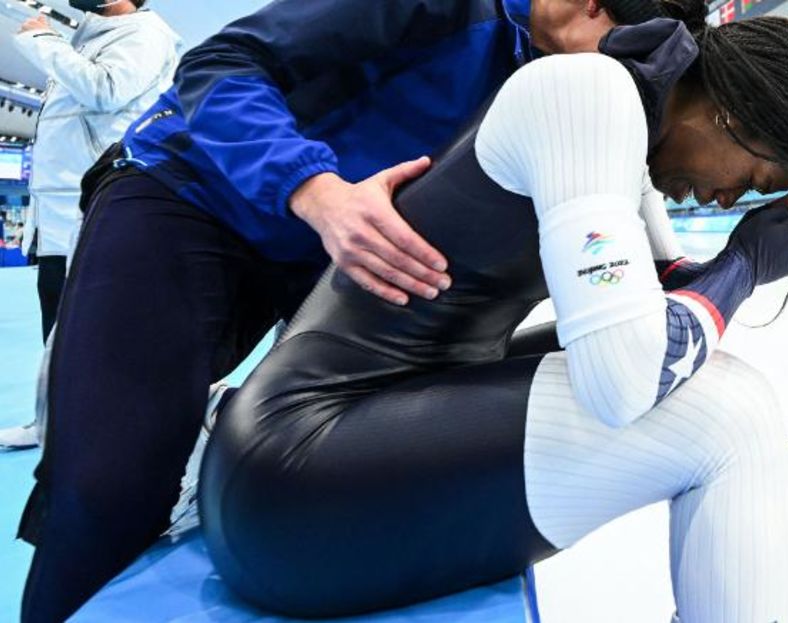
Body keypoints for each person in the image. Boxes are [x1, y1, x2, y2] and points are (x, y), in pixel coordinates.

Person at [15, 1, 695, 620]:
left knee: (328, 445)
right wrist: (315, 188)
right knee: (111, 480)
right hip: (194, 194)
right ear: (591, 5)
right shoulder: (449, 11)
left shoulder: (550, 72)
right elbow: (217, 64)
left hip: (327, 249)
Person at [198, 11, 788, 623]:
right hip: (294, 482)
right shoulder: (591, 98)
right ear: (731, 113)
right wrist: (745, 265)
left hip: (324, 453)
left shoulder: (625, 116)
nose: (728, 198)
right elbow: (625, 381)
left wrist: (745, 260)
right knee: (730, 413)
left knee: (715, 380)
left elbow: (659, 305)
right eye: (750, 177)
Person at [0, 0, 180, 451]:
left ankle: (110, 431)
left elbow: (106, 89)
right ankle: (53, 422)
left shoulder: (145, 33)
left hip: (96, 202)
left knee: (101, 325)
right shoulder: (87, 36)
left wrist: (43, 40)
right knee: (55, 316)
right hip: (57, 207)